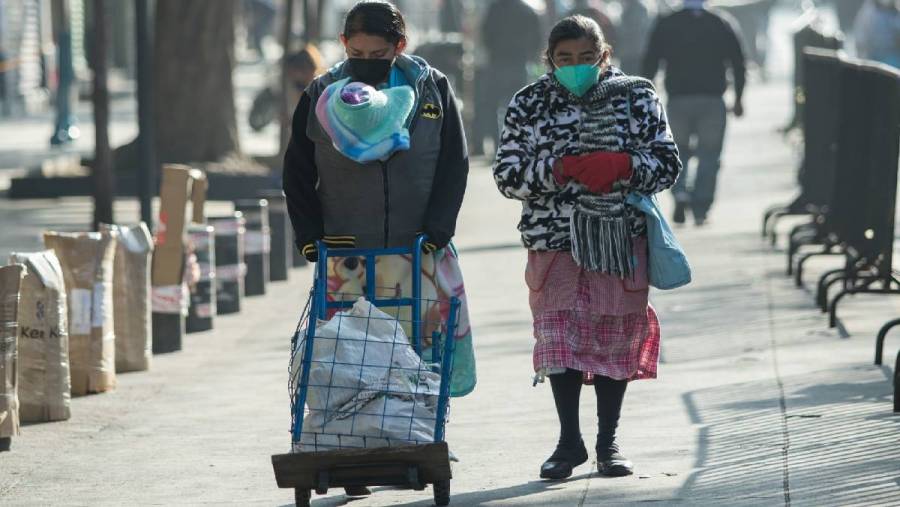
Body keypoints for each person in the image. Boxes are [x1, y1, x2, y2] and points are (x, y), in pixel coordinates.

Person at [282, 0, 477, 453]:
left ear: (399, 46)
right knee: (349, 361)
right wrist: (310, 236)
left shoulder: (431, 90)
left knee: (420, 357)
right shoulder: (322, 94)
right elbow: (297, 171)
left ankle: (419, 438)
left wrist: (439, 229)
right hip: (347, 255)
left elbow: (455, 163)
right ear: (344, 45)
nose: (366, 64)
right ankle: (349, 446)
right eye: (358, 54)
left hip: (418, 251)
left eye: (378, 55)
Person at [493, 15, 681, 480]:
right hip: (553, 241)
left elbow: (665, 162)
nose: (575, 67)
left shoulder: (637, 96)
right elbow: (507, 174)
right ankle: (568, 441)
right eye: (564, 59)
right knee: (560, 343)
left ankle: (608, 441)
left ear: (604, 56)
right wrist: (561, 169)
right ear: (549, 61)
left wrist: (622, 164)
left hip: (619, 240)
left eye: (585, 58)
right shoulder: (529, 103)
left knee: (615, 340)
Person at [642, 0, 746, 226]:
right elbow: (738, 62)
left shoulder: (667, 23)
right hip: (712, 99)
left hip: (678, 99)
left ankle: (680, 193)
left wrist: (645, 97)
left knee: (678, 152)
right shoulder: (720, 22)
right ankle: (701, 207)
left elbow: (650, 60)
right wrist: (738, 98)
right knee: (709, 155)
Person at [472, 0, 543, 156]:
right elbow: (537, 39)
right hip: (519, 65)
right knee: (520, 107)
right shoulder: (528, 11)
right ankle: (519, 146)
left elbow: (485, 34)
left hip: (496, 64)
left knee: (492, 108)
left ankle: (499, 147)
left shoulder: (493, 9)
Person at [853, 0, 900, 68]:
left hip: (894, 61)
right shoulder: (868, 11)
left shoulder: (896, 12)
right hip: (873, 61)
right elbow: (861, 40)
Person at [616, 0, 656, 75]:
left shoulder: (639, 8)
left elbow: (636, 29)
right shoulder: (631, 7)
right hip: (630, 53)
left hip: (635, 54)